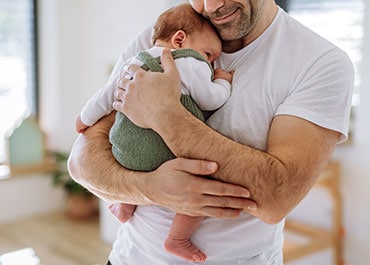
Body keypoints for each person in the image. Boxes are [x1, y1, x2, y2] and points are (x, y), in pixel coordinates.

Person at [68, 0, 354, 264]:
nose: (212, 5)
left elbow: (277, 198)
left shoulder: (320, 62)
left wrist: (166, 115)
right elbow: (81, 162)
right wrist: (151, 189)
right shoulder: (168, 34)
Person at [74, 3, 233, 263]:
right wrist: (223, 82)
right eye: (209, 53)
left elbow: (106, 95)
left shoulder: (137, 59)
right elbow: (210, 99)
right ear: (180, 39)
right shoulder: (191, 63)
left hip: (123, 148)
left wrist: (84, 118)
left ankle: (125, 204)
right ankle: (178, 238)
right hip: (165, 152)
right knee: (201, 192)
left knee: (137, 171)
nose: (212, 61)